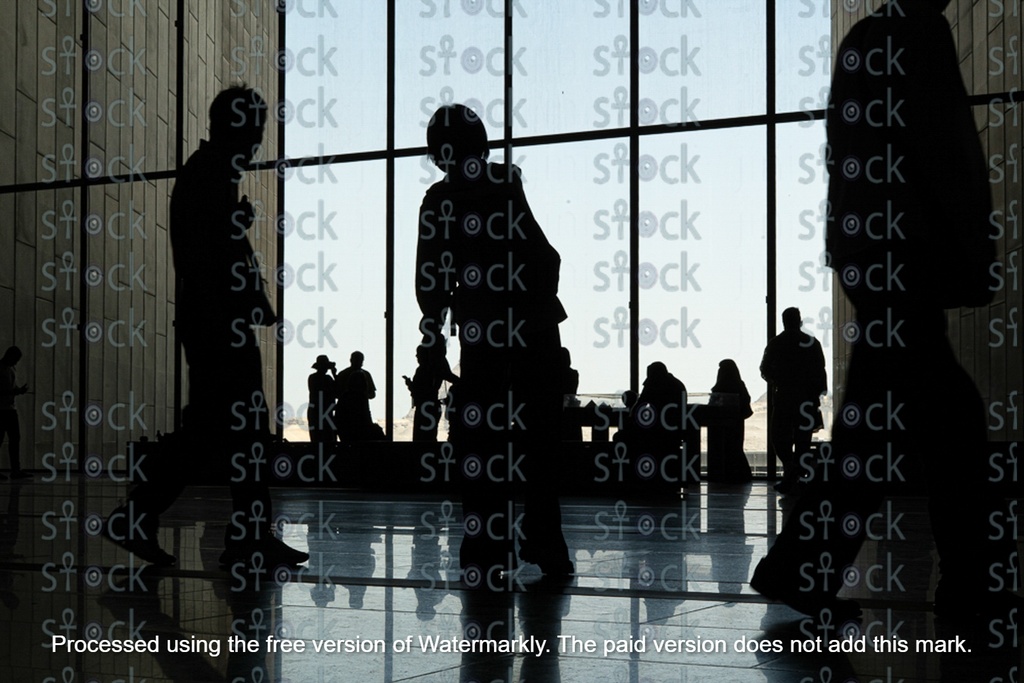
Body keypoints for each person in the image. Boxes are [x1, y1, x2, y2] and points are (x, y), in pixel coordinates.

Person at [751, 0, 1011, 621]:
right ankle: (969, 580)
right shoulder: (919, 33)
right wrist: (974, 247)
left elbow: (848, 154)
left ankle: (802, 572)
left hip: (871, 250)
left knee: (876, 432)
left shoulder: (863, 40)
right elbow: (943, 149)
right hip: (907, 249)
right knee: (949, 420)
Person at [105, 87, 308, 569]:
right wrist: (247, 289)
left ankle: (150, 516)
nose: (257, 141)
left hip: (213, 322)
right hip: (222, 326)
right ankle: (238, 535)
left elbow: (208, 250)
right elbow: (213, 256)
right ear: (235, 127)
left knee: (223, 433)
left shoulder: (208, 174)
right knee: (237, 434)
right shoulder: (212, 175)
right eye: (254, 130)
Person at [416, 103, 573, 583]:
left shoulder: (439, 201)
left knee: (482, 444)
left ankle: (486, 545)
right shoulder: (506, 183)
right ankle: (543, 541)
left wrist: (433, 334)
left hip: (483, 334)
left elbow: (433, 279)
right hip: (533, 331)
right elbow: (541, 256)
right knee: (538, 443)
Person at [759, 307, 826, 493]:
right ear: (800, 321)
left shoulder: (776, 343)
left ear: (784, 321)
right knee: (803, 440)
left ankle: (790, 468)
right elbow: (820, 371)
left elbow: (765, 369)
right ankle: (796, 475)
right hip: (806, 399)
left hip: (785, 398)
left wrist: (778, 382)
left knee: (779, 437)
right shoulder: (812, 343)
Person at [706, 359, 753, 483]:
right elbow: (746, 401)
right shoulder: (739, 384)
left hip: (718, 425)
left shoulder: (719, 386)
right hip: (736, 423)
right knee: (735, 448)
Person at [404, 344, 457, 442]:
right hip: (432, 407)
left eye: (419, 354)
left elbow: (418, 391)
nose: (417, 357)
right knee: (429, 438)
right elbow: (451, 377)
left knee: (421, 439)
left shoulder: (422, 370)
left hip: (423, 407)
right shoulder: (436, 369)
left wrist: (410, 385)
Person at [0, 347, 31, 480]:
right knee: (12, 439)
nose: (17, 362)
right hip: (3, 409)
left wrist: (17, 390)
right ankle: (15, 470)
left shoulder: (9, 368)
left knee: (12, 439)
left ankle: (16, 469)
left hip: (8, 409)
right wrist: (16, 392)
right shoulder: (2, 369)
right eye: (16, 359)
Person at [308, 355, 338, 443]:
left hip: (314, 411)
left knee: (316, 438)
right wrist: (335, 375)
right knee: (329, 439)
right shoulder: (328, 379)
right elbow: (336, 392)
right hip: (326, 411)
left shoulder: (312, 378)